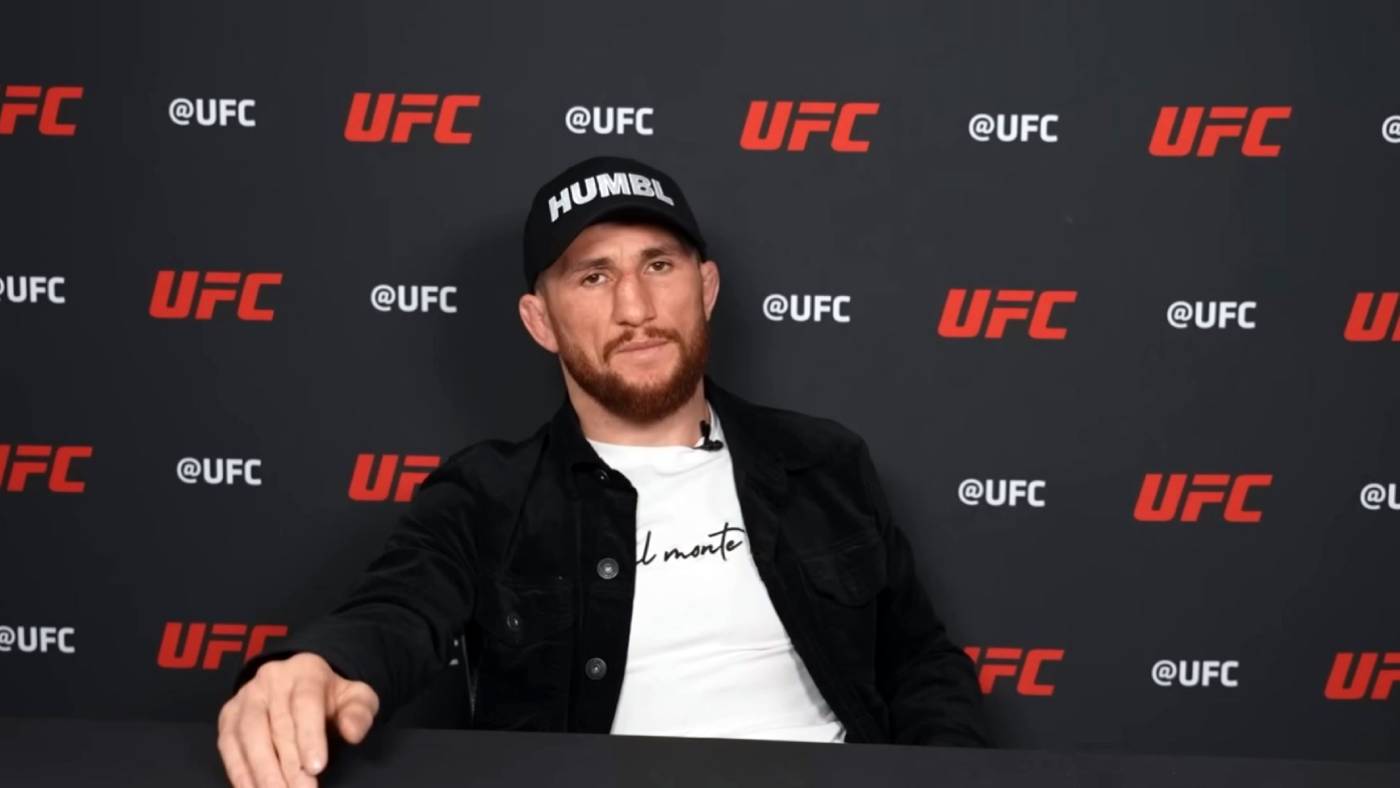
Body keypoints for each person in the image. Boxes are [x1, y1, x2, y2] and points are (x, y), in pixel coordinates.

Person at [217, 155, 988, 788]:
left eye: (659, 265)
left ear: (706, 288)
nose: (636, 307)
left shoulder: (824, 463)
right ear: (540, 322)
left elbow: (920, 662)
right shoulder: (489, 496)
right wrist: (319, 665)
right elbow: (396, 609)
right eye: (593, 276)